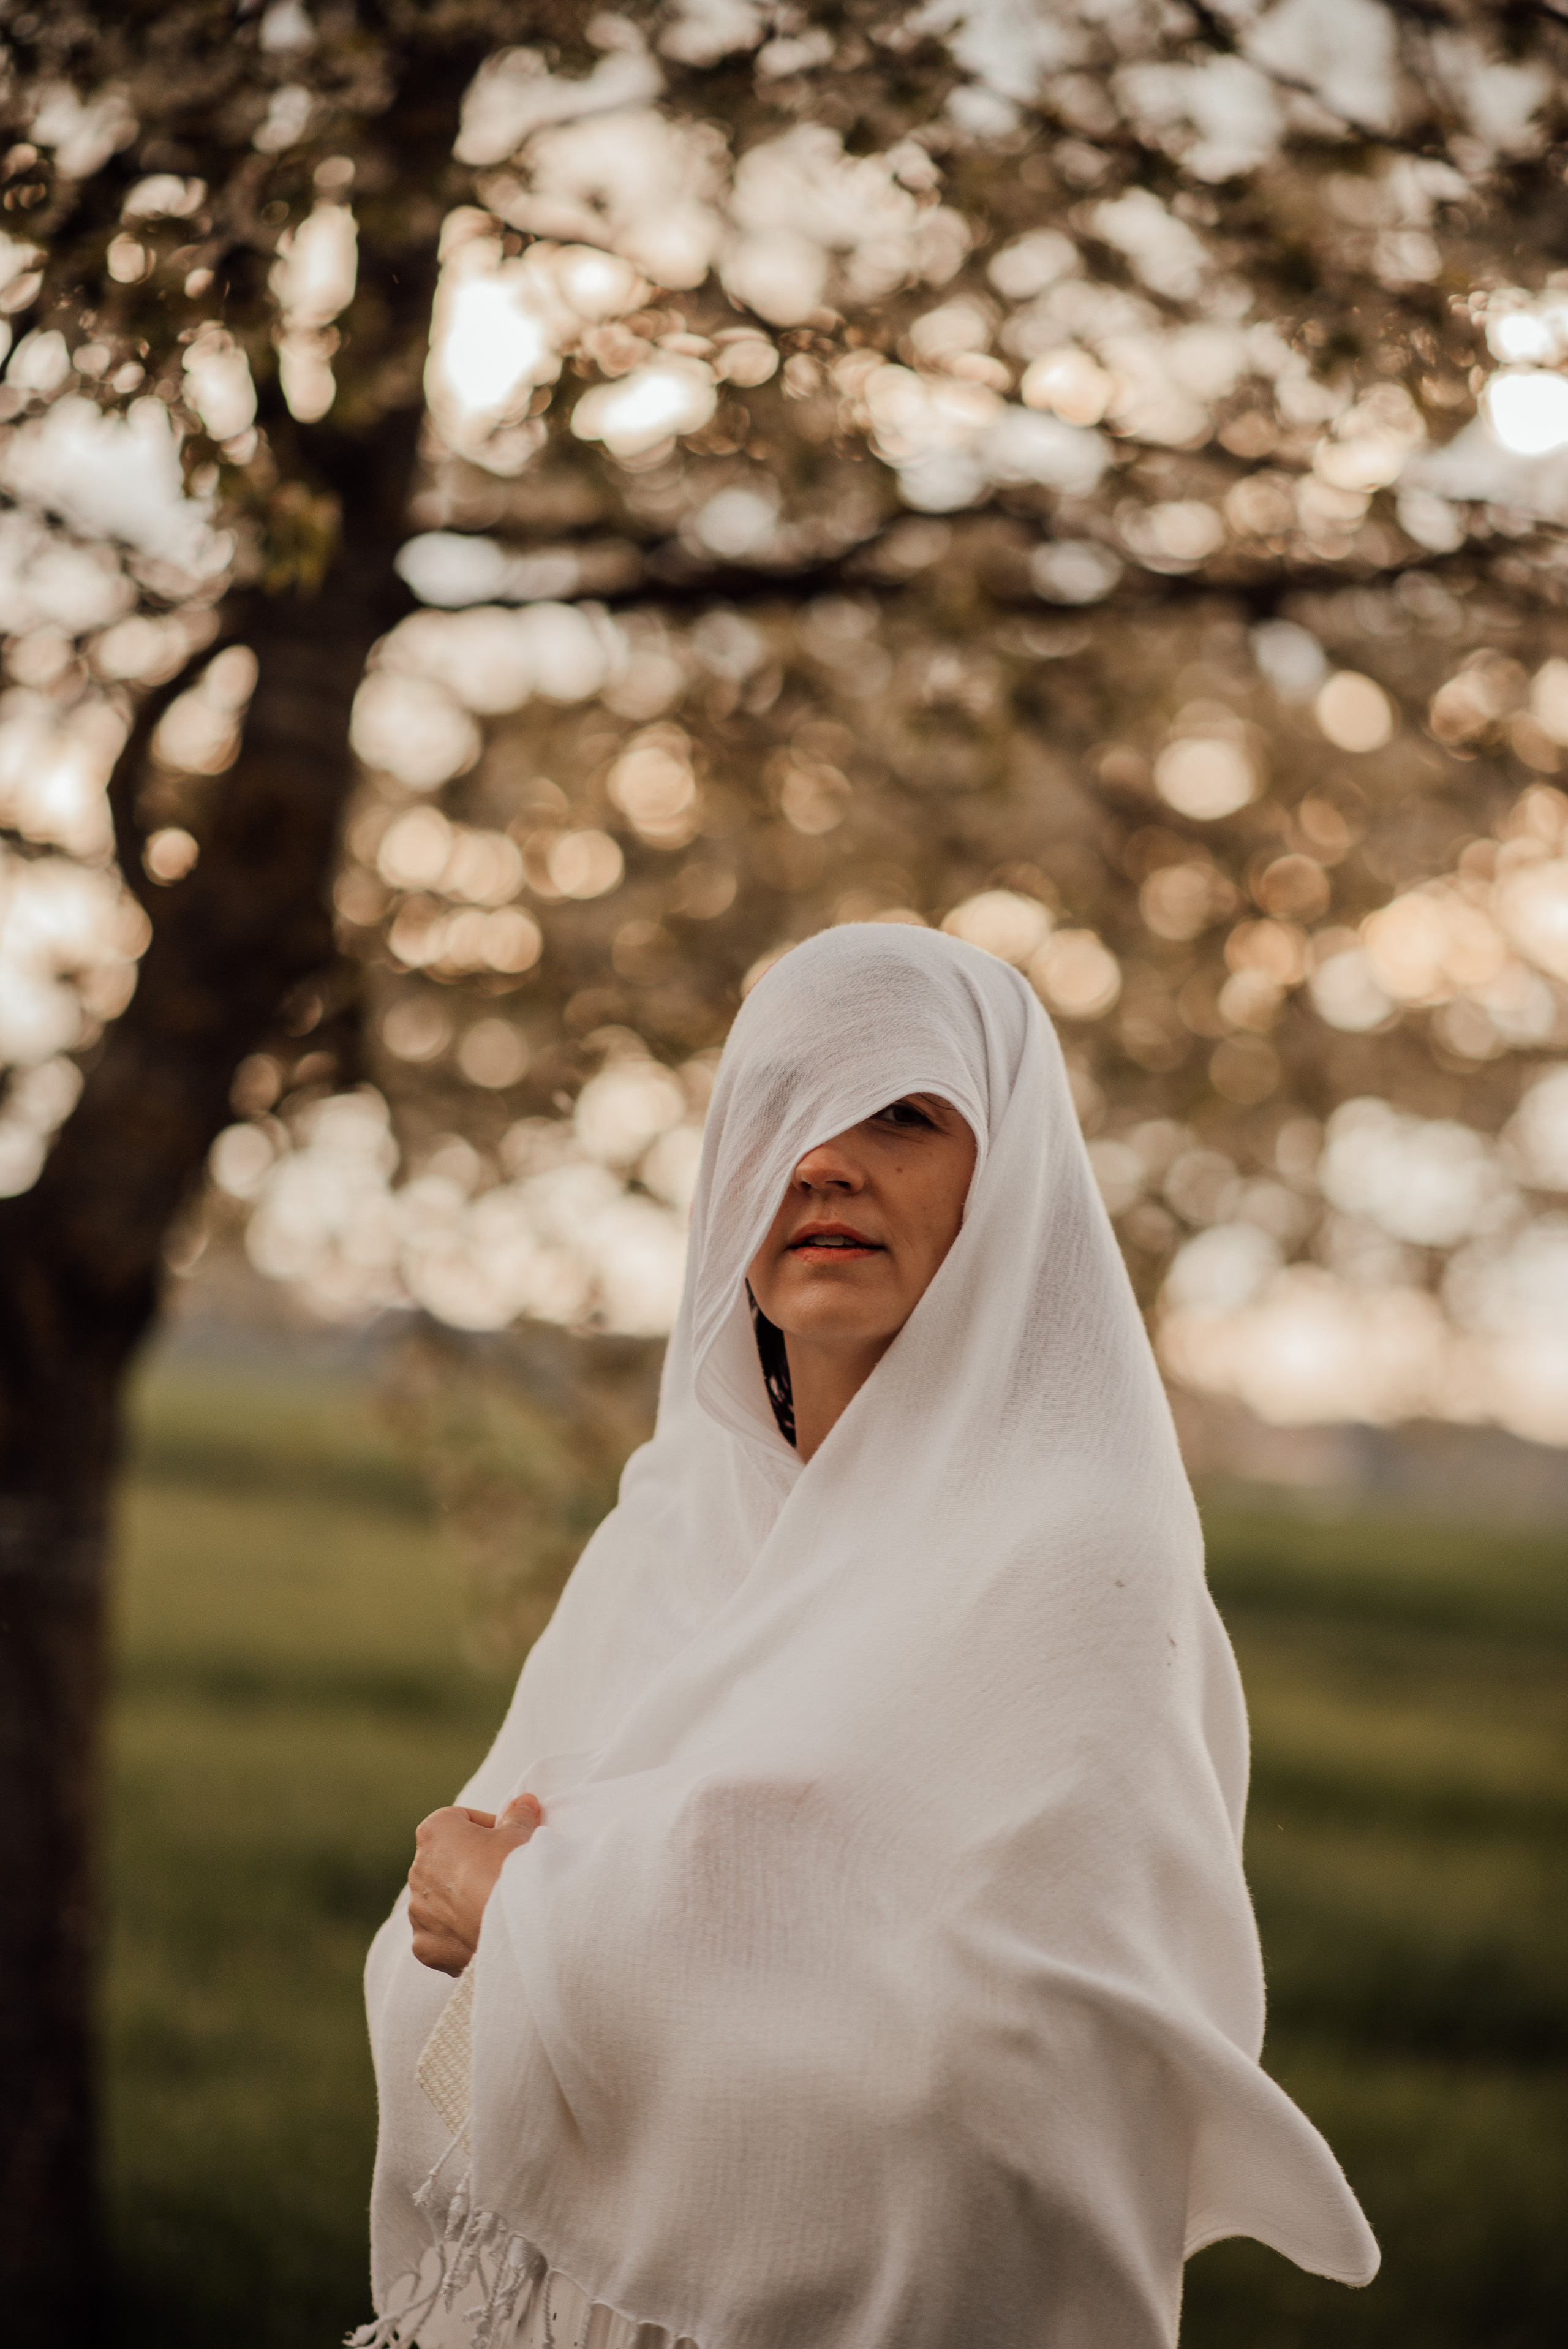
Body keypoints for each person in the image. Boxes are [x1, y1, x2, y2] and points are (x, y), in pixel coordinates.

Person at [359, 924, 1377, 2349]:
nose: (826, 1160)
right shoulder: (669, 1530)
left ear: (1001, 1178)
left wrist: (530, 1919)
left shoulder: (1070, 1563)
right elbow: (439, 1967)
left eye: (901, 1114)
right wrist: (500, 1909)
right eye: (783, 1107)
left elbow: (1012, 2090)